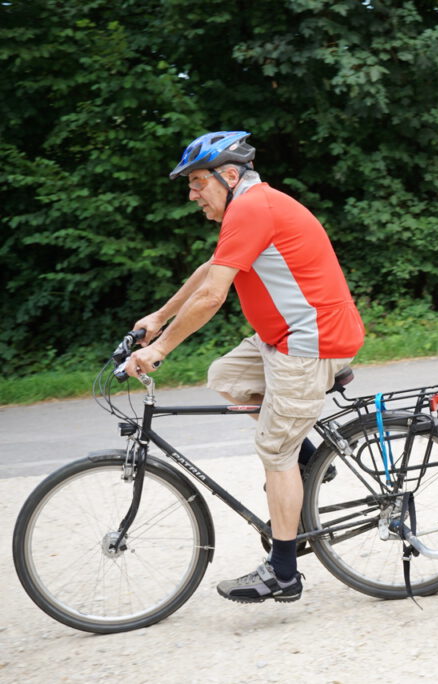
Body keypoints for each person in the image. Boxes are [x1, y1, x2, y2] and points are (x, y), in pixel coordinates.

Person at [126, 130, 365, 604]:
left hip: (310, 342)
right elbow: (210, 273)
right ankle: (309, 458)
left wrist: (162, 348)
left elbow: (214, 297)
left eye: (197, 183)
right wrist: (158, 317)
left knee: (272, 451)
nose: (192, 194)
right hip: (282, 338)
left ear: (229, 175)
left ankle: (283, 572)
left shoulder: (254, 207)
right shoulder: (248, 208)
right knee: (226, 378)